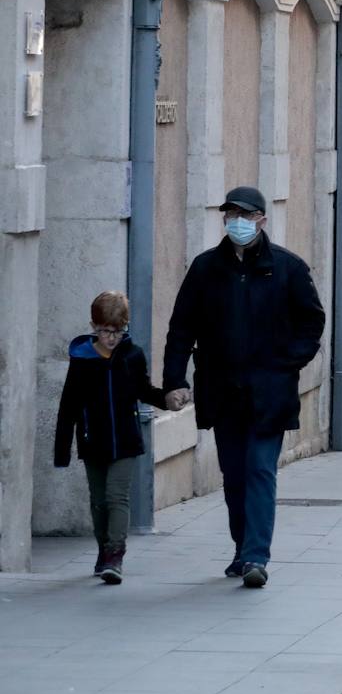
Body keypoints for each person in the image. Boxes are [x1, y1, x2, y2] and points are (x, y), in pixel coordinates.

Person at [163, 186, 326, 589]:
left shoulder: (288, 268)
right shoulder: (205, 269)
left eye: (246, 215)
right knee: (233, 474)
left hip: (269, 392)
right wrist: (174, 380)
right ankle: (242, 549)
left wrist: (287, 362)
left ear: (262, 221)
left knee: (258, 468)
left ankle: (256, 556)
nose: (238, 221)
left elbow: (312, 322)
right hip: (222, 390)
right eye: (231, 214)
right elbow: (181, 328)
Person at [54, 291, 189, 584]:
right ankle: (104, 549)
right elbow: (69, 406)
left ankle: (116, 554)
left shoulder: (132, 356)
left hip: (125, 441)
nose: (111, 338)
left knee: (117, 497)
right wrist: (62, 450)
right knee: (98, 501)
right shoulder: (82, 359)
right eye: (105, 331)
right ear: (94, 326)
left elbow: (144, 390)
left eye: (117, 331)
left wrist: (167, 399)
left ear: (124, 327)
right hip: (92, 441)